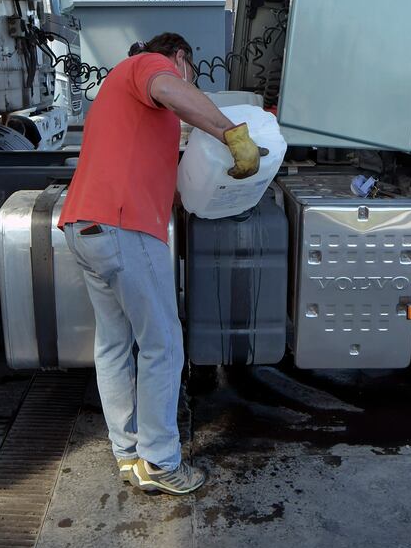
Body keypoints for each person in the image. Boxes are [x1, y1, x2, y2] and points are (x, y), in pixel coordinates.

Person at [57, 33, 264, 495]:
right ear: (180, 58)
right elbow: (170, 88)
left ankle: (128, 453)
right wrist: (232, 132)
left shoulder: (127, 101)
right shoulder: (148, 66)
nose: (185, 79)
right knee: (163, 345)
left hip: (86, 227)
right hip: (122, 229)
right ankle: (162, 462)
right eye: (187, 70)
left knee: (114, 344)